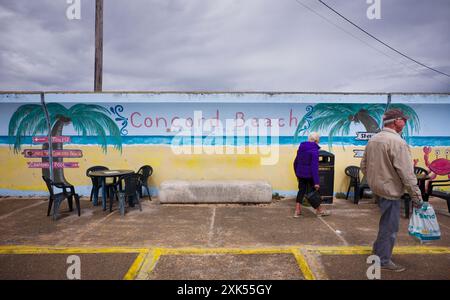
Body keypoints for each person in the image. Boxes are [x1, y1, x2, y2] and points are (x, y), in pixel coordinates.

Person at [361, 108, 423, 272]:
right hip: (391, 191)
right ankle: (383, 260)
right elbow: (407, 174)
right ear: (396, 121)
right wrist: (416, 196)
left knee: (385, 223)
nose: (405, 122)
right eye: (404, 119)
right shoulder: (398, 143)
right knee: (390, 227)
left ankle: (377, 250)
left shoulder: (374, 139)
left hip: (377, 189)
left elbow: (363, 166)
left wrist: (376, 181)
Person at [293, 132, 331, 218]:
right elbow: (314, 167)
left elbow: (295, 162)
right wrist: (316, 182)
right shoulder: (314, 151)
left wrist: (297, 173)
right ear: (317, 140)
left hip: (300, 174)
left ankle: (297, 211)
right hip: (309, 175)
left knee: (301, 191)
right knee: (313, 192)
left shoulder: (301, 148)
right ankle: (320, 210)